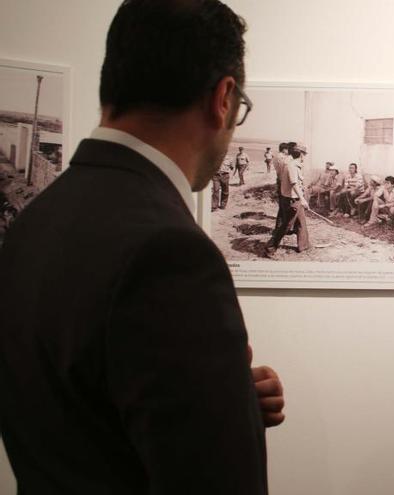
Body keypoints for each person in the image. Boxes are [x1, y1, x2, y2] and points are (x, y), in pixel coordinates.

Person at [0, 2, 285, 493]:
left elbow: (81, 407)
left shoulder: (33, 221)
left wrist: (222, 399)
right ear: (224, 97)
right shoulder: (171, 252)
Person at [264, 145, 311, 256]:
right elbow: (294, 183)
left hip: (294, 199)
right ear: (301, 154)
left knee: (301, 222)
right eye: (304, 154)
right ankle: (270, 247)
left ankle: (304, 245)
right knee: (287, 225)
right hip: (292, 200)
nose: (305, 157)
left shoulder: (294, 164)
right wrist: (302, 199)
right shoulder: (292, 166)